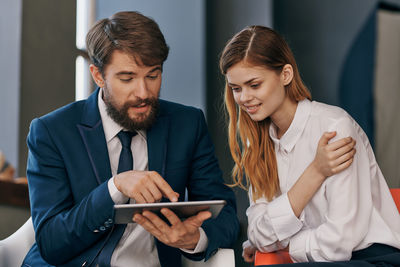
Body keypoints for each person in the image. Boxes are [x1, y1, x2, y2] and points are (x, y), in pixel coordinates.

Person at [22, 11, 239, 267]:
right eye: (127, 78)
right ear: (98, 75)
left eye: (153, 75)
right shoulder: (52, 132)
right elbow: (51, 242)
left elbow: (225, 216)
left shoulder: (187, 124)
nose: (143, 92)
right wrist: (114, 188)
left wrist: (194, 239)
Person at [219, 25, 400, 266]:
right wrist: (315, 171)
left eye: (254, 85)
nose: (243, 98)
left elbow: (339, 243)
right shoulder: (257, 143)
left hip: (372, 258)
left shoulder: (335, 128)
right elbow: (259, 235)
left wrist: (285, 245)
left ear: (285, 75)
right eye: (236, 89)